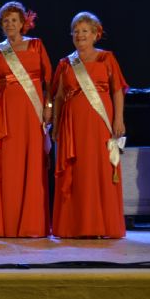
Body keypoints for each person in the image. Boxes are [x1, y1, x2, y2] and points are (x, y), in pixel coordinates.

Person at [0, 1, 52, 238]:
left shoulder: (36, 45)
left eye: (14, 20)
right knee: (6, 167)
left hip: (31, 113)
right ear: (1, 24)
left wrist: (49, 108)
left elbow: (50, 81)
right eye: (6, 20)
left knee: (31, 165)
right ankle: (3, 224)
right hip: (4, 115)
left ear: (23, 23)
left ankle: (31, 225)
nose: (10, 24)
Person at [52, 12, 128, 238]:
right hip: (72, 125)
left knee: (98, 170)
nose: (80, 35)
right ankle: (74, 226)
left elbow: (117, 90)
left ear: (96, 35)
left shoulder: (107, 58)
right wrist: (55, 125)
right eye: (76, 31)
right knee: (77, 172)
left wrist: (118, 119)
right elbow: (57, 97)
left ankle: (99, 225)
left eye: (85, 31)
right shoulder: (66, 63)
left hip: (99, 124)